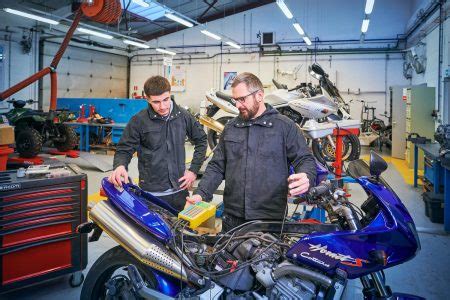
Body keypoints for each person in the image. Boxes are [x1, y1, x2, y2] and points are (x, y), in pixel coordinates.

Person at [187, 72, 317, 232]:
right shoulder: (231, 127)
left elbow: (305, 159)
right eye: (235, 100)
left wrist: (306, 176)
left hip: (269, 220)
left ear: (259, 95)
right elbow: (217, 166)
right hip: (232, 218)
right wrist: (201, 194)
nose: (237, 105)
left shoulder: (284, 127)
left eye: (242, 99)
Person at [109, 75, 207, 212]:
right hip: (151, 195)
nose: (162, 106)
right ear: (147, 99)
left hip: (180, 191)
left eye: (166, 99)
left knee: (180, 231)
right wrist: (120, 166)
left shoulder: (183, 116)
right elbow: (124, 149)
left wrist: (193, 170)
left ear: (170, 94)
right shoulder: (139, 121)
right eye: (156, 102)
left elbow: (201, 140)